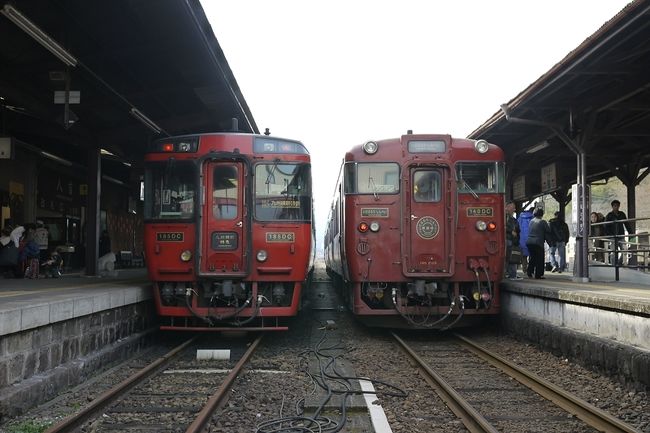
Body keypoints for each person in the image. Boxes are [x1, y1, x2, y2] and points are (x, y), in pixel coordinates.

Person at [526, 207, 553, 279]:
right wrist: (550, 243)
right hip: (538, 242)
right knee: (540, 259)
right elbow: (548, 231)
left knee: (532, 258)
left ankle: (529, 272)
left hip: (529, 242)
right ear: (542, 214)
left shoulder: (531, 221)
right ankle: (538, 274)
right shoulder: (543, 222)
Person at [604, 199, 632, 265]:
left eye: (617, 206)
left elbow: (626, 224)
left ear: (619, 206)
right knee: (613, 252)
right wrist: (609, 234)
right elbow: (605, 226)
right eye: (615, 206)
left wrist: (631, 234)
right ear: (612, 206)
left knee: (625, 250)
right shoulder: (609, 215)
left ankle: (619, 263)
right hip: (612, 237)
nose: (616, 207)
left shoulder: (622, 214)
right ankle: (614, 265)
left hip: (621, 235)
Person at [505, 202, 522, 279]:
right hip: (507, 239)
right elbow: (503, 227)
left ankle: (512, 273)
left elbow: (518, 229)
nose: (514, 209)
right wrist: (510, 231)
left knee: (513, 257)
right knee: (509, 257)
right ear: (507, 207)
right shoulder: (503, 218)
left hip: (513, 240)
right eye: (512, 208)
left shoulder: (513, 219)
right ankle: (510, 274)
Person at [517, 208, 534, 274]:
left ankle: (524, 269)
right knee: (532, 255)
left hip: (522, 239)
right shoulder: (533, 218)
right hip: (531, 238)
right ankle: (531, 269)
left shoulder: (520, 218)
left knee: (524, 256)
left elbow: (516, 227)